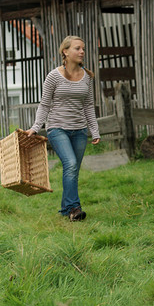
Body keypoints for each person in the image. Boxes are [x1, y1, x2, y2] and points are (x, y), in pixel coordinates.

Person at [27, 35, 100, 221]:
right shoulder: (54, 76)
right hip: (57, 128)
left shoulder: (87, 77)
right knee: (71, 164)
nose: (82, 51)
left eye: (83, 48)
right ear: (65, 51)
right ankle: (75, 208)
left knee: (73, 170)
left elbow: (89, 106)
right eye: (77, 48)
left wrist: (95, 130)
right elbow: (44, 105)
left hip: (80, 130)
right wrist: (36, 127)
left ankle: (66, 208)